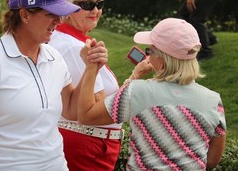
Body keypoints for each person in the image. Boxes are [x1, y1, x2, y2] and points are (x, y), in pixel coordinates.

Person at [0, 0, 108, 171]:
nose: (58, 20)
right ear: (25, 15)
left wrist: (91, 69)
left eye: (60, 13)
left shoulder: (54, 57)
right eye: (50, 14)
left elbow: (72, 110)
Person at [78, 18, 227, 170]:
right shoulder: (214, 101)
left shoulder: (136, 92)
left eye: (150, 51)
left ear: (163, 59)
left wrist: (91, 68)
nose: (148, 55)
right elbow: (211, 161)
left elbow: (86, 115)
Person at [48, 0, 122, 171]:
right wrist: (135, 95)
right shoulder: (73, 46)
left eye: (99, 3)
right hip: (87, 147)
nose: (96, 10)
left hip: (86, 142)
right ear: (66, 6)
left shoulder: (66, 39)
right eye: (88, 4)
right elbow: (90, 109)